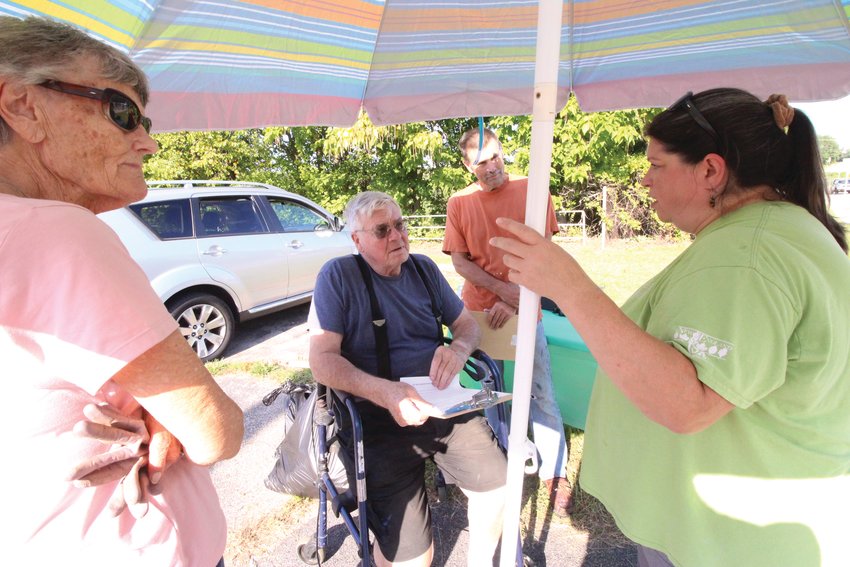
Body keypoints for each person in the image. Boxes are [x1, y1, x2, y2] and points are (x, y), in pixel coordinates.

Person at [490, 88, 850, 566]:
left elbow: (687, 404)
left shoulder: (745, 256)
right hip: (736, 523)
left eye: (657, 164)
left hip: (729, 538)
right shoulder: (772, 231)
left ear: (710, 170)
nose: (644, 178)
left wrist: (569, 286)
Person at [0, 16, 244, 566]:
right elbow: (216, 433)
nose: (149, 141)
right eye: (122, 111)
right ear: (22, 106)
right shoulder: (52, 228)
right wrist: (169, 415)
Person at [309, 191, 507, 567]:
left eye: (400, 225)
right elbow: (322, 362)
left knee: (499, 489)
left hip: (443, 406)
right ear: (357, 240)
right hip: (377, 420)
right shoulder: (339, 276)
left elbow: (466, 326)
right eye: (382, 230)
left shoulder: (423, 268)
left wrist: (459, 351)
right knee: (414, 559)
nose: (397, 236)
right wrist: (386, 392)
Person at [442, 127, 574, 516]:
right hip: (480, 315)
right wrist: (502, 292)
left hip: (524, 308)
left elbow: (544, 251)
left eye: (496, 156)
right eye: (481, 161)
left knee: (540, 391)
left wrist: (517, 300)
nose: (492, 167)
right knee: (490, 395)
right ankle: (498, 466)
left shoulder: (533, 190)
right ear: (468, 166)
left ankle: (554, 473)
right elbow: (460, 260)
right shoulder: (459, 203)